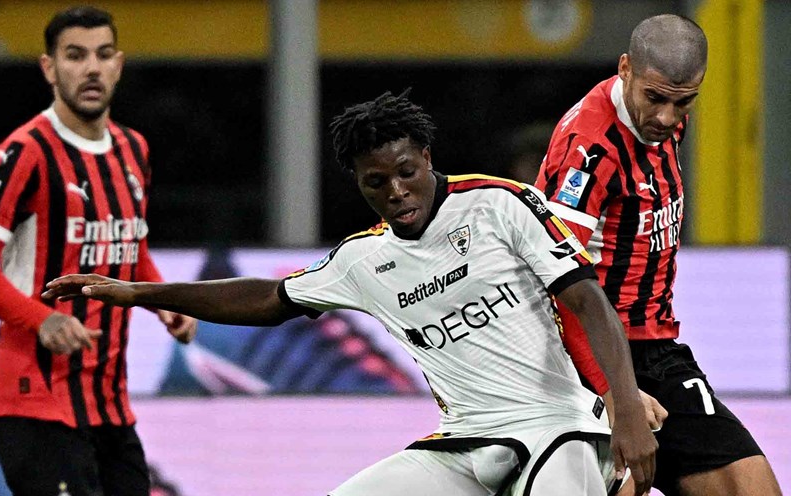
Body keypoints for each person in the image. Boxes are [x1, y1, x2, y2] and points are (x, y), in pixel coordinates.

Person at [45, 90, 658, 496]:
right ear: (359, 186)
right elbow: (266, 299)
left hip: (559, 428)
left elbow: (587, 300)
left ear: (425, 155)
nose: (395, 190)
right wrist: (138, 292)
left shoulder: (497, 204)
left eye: (405, 171)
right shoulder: (364, 259)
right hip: (467, 441)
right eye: (376, 182)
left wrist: (625, 406)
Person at [535, 14, 781, 496]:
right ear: (625, 68)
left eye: (683, 101)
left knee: (752, 488)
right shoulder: (588, 151)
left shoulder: (664, 116)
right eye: (656, 99)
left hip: (656, 348)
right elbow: (558, 281)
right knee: (622, 487)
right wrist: (617, 395)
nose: (667, 118)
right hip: (582, 352)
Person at [0, 7, 196, 496]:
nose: (91, 68)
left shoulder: (133, 149)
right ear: (48, 68)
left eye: (103, 55)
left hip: (108, 405)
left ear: (119, 65)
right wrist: (42, 320)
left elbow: (130, 243)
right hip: (35, 400)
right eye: (75, 56)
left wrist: (163, 298)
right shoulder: (24, 153)